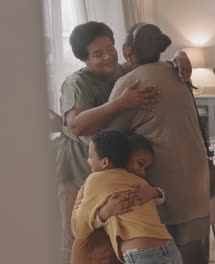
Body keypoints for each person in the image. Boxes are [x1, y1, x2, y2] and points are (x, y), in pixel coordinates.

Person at [56, 21, 193, 263]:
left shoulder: (123, 71)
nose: (108, 56)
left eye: (110, 48)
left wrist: (180, 56)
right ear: (84, 59)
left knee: (112, 241)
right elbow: (76, 125)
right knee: (79, 241)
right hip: (79, 168)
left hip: (111, 173)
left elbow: (151, 61)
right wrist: (119, 103)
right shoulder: (77, 84)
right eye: (98, 53)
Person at [105, 23, 209, 264]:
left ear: (126, 49)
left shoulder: (131, 83)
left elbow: (108, 140)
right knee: (195, 254)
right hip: (196, 184)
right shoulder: (177, 73)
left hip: (162, 188)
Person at [72, 130, 182, 264]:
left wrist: (103, 213)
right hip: (169, 248)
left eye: (90, 156)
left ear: (105, 162)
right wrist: (155, 192)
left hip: (143, 255)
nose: (142, 172)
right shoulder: (140, 182)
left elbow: (79, 230)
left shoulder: (96, 180)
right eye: (140, 164)